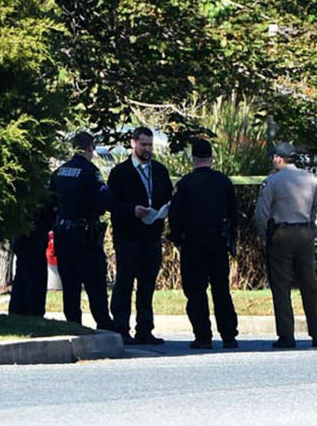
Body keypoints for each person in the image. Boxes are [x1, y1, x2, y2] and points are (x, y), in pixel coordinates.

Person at [254, 142, 317, 349]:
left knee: (281, 286)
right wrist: (311, 229)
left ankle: (287, 336)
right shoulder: (311, 179)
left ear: (278, 159)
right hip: (304, 232)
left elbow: (262, 213)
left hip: (281, 233)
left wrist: (264, 237)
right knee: (309, 285)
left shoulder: (273, 181)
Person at [168, 139, 240, 350]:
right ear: (211, 157)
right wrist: (232, 240)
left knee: (196, 291)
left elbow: (175, 215)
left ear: (193, 157)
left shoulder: (185, 183)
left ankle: (203, 336)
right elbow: (234, 213)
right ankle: (228, 335)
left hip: (193, 244)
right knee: (221, 290)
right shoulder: (223, 182)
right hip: (218, 242)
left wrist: (178, 240)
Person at [107, 126, 173, 345]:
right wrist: (131, 210)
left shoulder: (160, 171)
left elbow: (167, 197)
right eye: (143, 145)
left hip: (151, 234)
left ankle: (145, 329)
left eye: (150, 145)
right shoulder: (120, 173)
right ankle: (121, 327)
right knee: (125, 283)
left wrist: (162, 211)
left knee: (147, 285)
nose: (147, 149)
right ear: (133, 143)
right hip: (128, 236)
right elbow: (111, 204)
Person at [49, 132, 114, 330]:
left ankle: (73, 323)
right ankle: (103, 322)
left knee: (70, 283)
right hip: (84, 234)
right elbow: (103, 200)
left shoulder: (60, 171)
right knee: (94, 281)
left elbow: (50, 201)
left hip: (62, 232)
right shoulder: (90, 171)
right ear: (90, 149)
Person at [8, 199, 55, 317]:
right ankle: (33, 312)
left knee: (22, 275)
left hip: (23, 233)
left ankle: (17, 311)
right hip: (34, 235)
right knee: (34, 277)